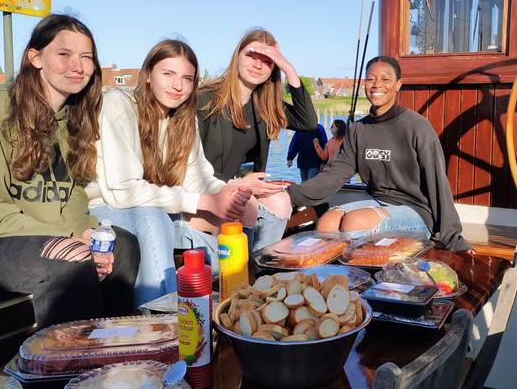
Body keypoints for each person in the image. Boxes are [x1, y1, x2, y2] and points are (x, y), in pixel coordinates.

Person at [0, 14, 140, 328]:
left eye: (86, 57)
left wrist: (84, 231)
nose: (78, 65)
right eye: (64, 54)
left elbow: (71, 195)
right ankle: (55, 369)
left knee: (122, 245)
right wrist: (70, 241)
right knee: (72, 261)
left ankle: (111, 351)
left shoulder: (71, 118)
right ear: (35, 58)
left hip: (40, 233)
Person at [87, 39, 252, 306]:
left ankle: (238, 304)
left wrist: (228, 193)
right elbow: (122, 190)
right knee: (153, 218)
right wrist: (207, 202)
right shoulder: (119, 104)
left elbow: (197, 177)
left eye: (187, 78)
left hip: (155, 208)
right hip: (104, 207)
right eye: (168, 74)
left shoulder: (182, 120)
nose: (178, 85)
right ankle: (161, 327)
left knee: (240, 221)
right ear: (148, 75)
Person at [287, 56, 472, 254]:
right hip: (377, 201)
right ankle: (345, 277)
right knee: (327, 223)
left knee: (354, 223)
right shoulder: (358, 129)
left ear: (398, 85)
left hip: (416, 211)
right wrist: (290, 195)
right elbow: (333, 175)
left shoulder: (417, 127)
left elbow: (437, 181)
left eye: (385, 79)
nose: (377, 85)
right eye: (371, 79)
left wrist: (453, 237)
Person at [197, 29, 317, 250]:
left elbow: (307, 122)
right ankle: (243, 271)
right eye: (251, 55)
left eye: (268, 61)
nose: (258, 65)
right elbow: (190, 164)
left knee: (281, 200)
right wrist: (233, 184)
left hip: (243, 185)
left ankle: (262, 264)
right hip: (206, 185)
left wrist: (288, 68)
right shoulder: (205, 99)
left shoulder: (264, 104)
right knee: (248, 204)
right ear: (237, 56)